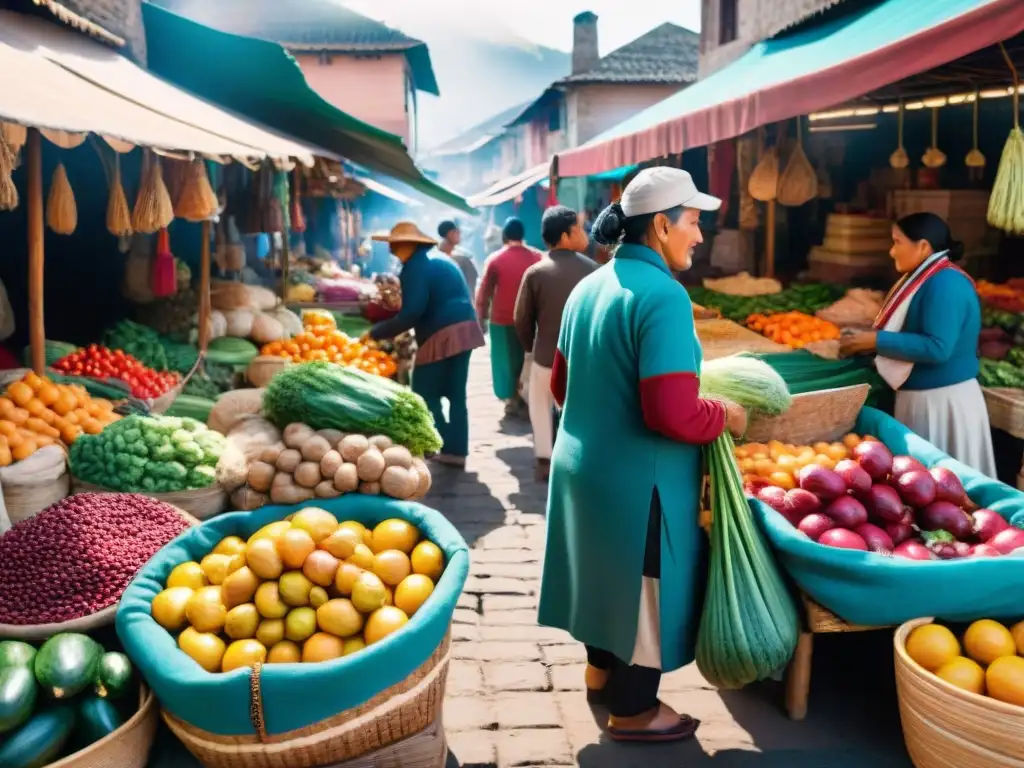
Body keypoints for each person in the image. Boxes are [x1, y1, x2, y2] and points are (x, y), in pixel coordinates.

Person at [538, 167, 747, 743]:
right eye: (694, 221)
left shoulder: (590, 285)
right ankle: (633, 711)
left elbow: (561, 385)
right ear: (661, 224)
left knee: (600, 578)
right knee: (643, 591)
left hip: (583, 468)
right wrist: (725, 416)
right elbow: (672, 413)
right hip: (640, 483)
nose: (699, 235)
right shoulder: (664, 297)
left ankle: (599, 673)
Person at [839, 212, 996, 476]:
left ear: (923, 246)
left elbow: (937, 347)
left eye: (897, 242)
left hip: (942, 402)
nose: (891, 251)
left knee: (946, 486)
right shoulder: (928, 278)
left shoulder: (945, 283)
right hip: (924, 397)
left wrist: (875, 340)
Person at [367, 222, 484, 468]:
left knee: (423, 391)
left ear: (411, 244)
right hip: (465, 327)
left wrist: (377, 332)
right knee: (456, 394)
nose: (391, 248)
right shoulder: (436, 258)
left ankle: (440, 443)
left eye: (396, 244)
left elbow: (412, 313)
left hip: (442, 332)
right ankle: (456, 450)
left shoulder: (415, 267)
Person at [513, 206, 596, 481]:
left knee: (540, 404)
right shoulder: (594, 272)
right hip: (585, 359)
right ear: (565, 235)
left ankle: (544, 458)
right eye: (580, 229)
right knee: (580, 410)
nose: (585, 234)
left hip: (546, 355)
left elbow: (521, 319)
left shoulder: (536, 272)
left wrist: (530, 347)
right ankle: (578, 457)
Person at [476, 217, 541, 417]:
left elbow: (484, 292)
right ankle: (526, 397)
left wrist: (480, 318)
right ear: (523, 235)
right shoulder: (537, 257)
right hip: (530, 318)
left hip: (501, 319)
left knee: (504, 361)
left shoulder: (495, 259)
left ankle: (510, 399)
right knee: (526, 358)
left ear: (504, 235)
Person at [437, 220, 479, 298]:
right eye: (456, 232)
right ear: (450, 234)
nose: (459, 234)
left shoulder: (464, 256)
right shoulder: (462, 259)